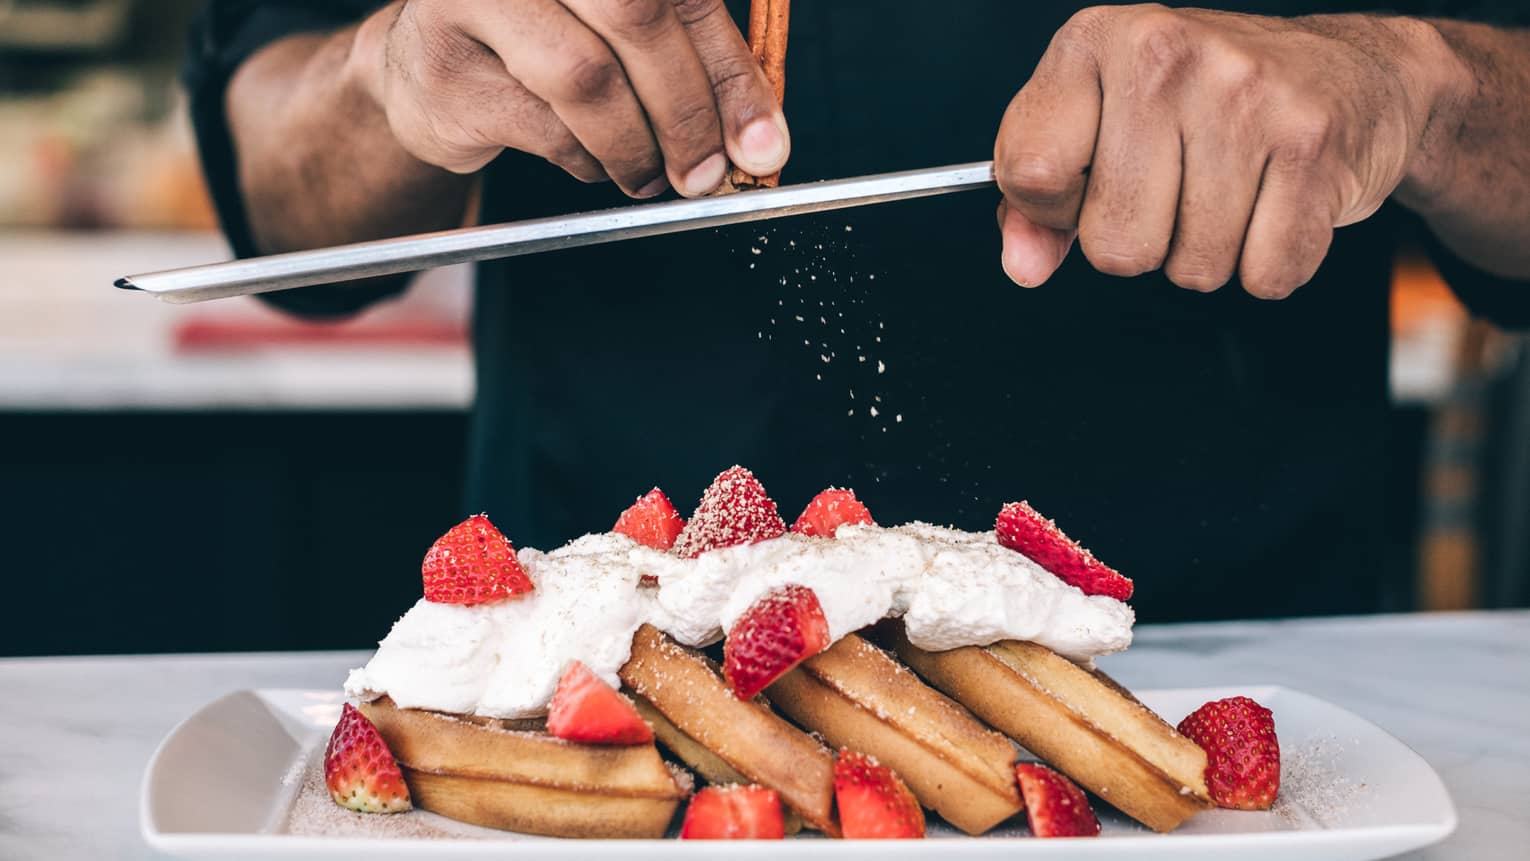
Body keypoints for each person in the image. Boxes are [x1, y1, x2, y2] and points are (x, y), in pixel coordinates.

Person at [186, 1, 1530, 621]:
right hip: (606, 666)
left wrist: (1418, 80)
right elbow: (284, 212)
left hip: (1222, 677)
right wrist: (386, 70)